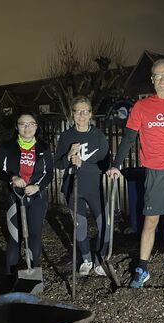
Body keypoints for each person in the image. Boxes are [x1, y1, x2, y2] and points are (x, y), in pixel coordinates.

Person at [106, 59, 164, 288]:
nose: (161, 80)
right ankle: (142, 268)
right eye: (157, 76)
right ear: (152, 80)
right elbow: (129, 138)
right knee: (151, 220)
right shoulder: (141, 107)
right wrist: (116, 164)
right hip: (154, 170)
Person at [0, 111, 54, 294]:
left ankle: (34, 274)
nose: (27, 128)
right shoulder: (7, 147)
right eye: (22, 124)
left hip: (36, 198)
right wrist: (12, 177)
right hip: (15, 197)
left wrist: (37, 187)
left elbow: (49, 172)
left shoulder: (43, 147)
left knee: (34, 236)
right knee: (15, 238)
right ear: (16, 127)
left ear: (36, 126)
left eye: (31, 124)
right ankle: (9, 278)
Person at [55, 96, 110, 276]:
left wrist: (83, 164)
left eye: (85, 111)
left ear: (91, 114)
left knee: (105, 225)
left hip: (94, 189)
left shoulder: (98, 136)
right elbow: (59, 164)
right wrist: (68, 155)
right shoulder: (66, 136)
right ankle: (86, 259)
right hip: (74, 189)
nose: (82, 115)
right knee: (80, 226)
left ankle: (100, 260)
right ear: (72, 114)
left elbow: (104, 166)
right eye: (78, 111)